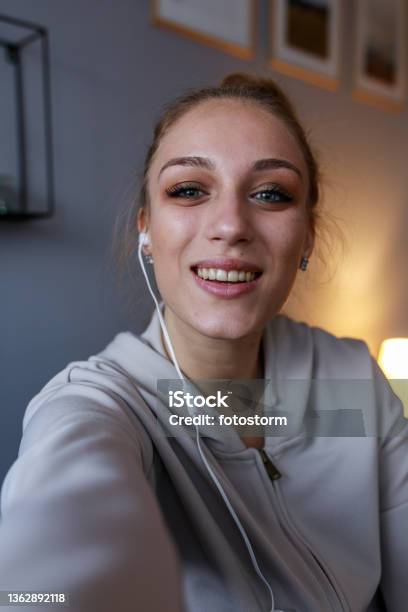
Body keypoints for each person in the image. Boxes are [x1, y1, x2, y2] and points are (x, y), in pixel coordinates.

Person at [0, 72, 407, 612]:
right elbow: (46, 578)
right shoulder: (106, 408)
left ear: (307, 235)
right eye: (189, 190)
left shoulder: (348, 378)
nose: (230, 225)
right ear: (146, 227)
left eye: (270, 194)